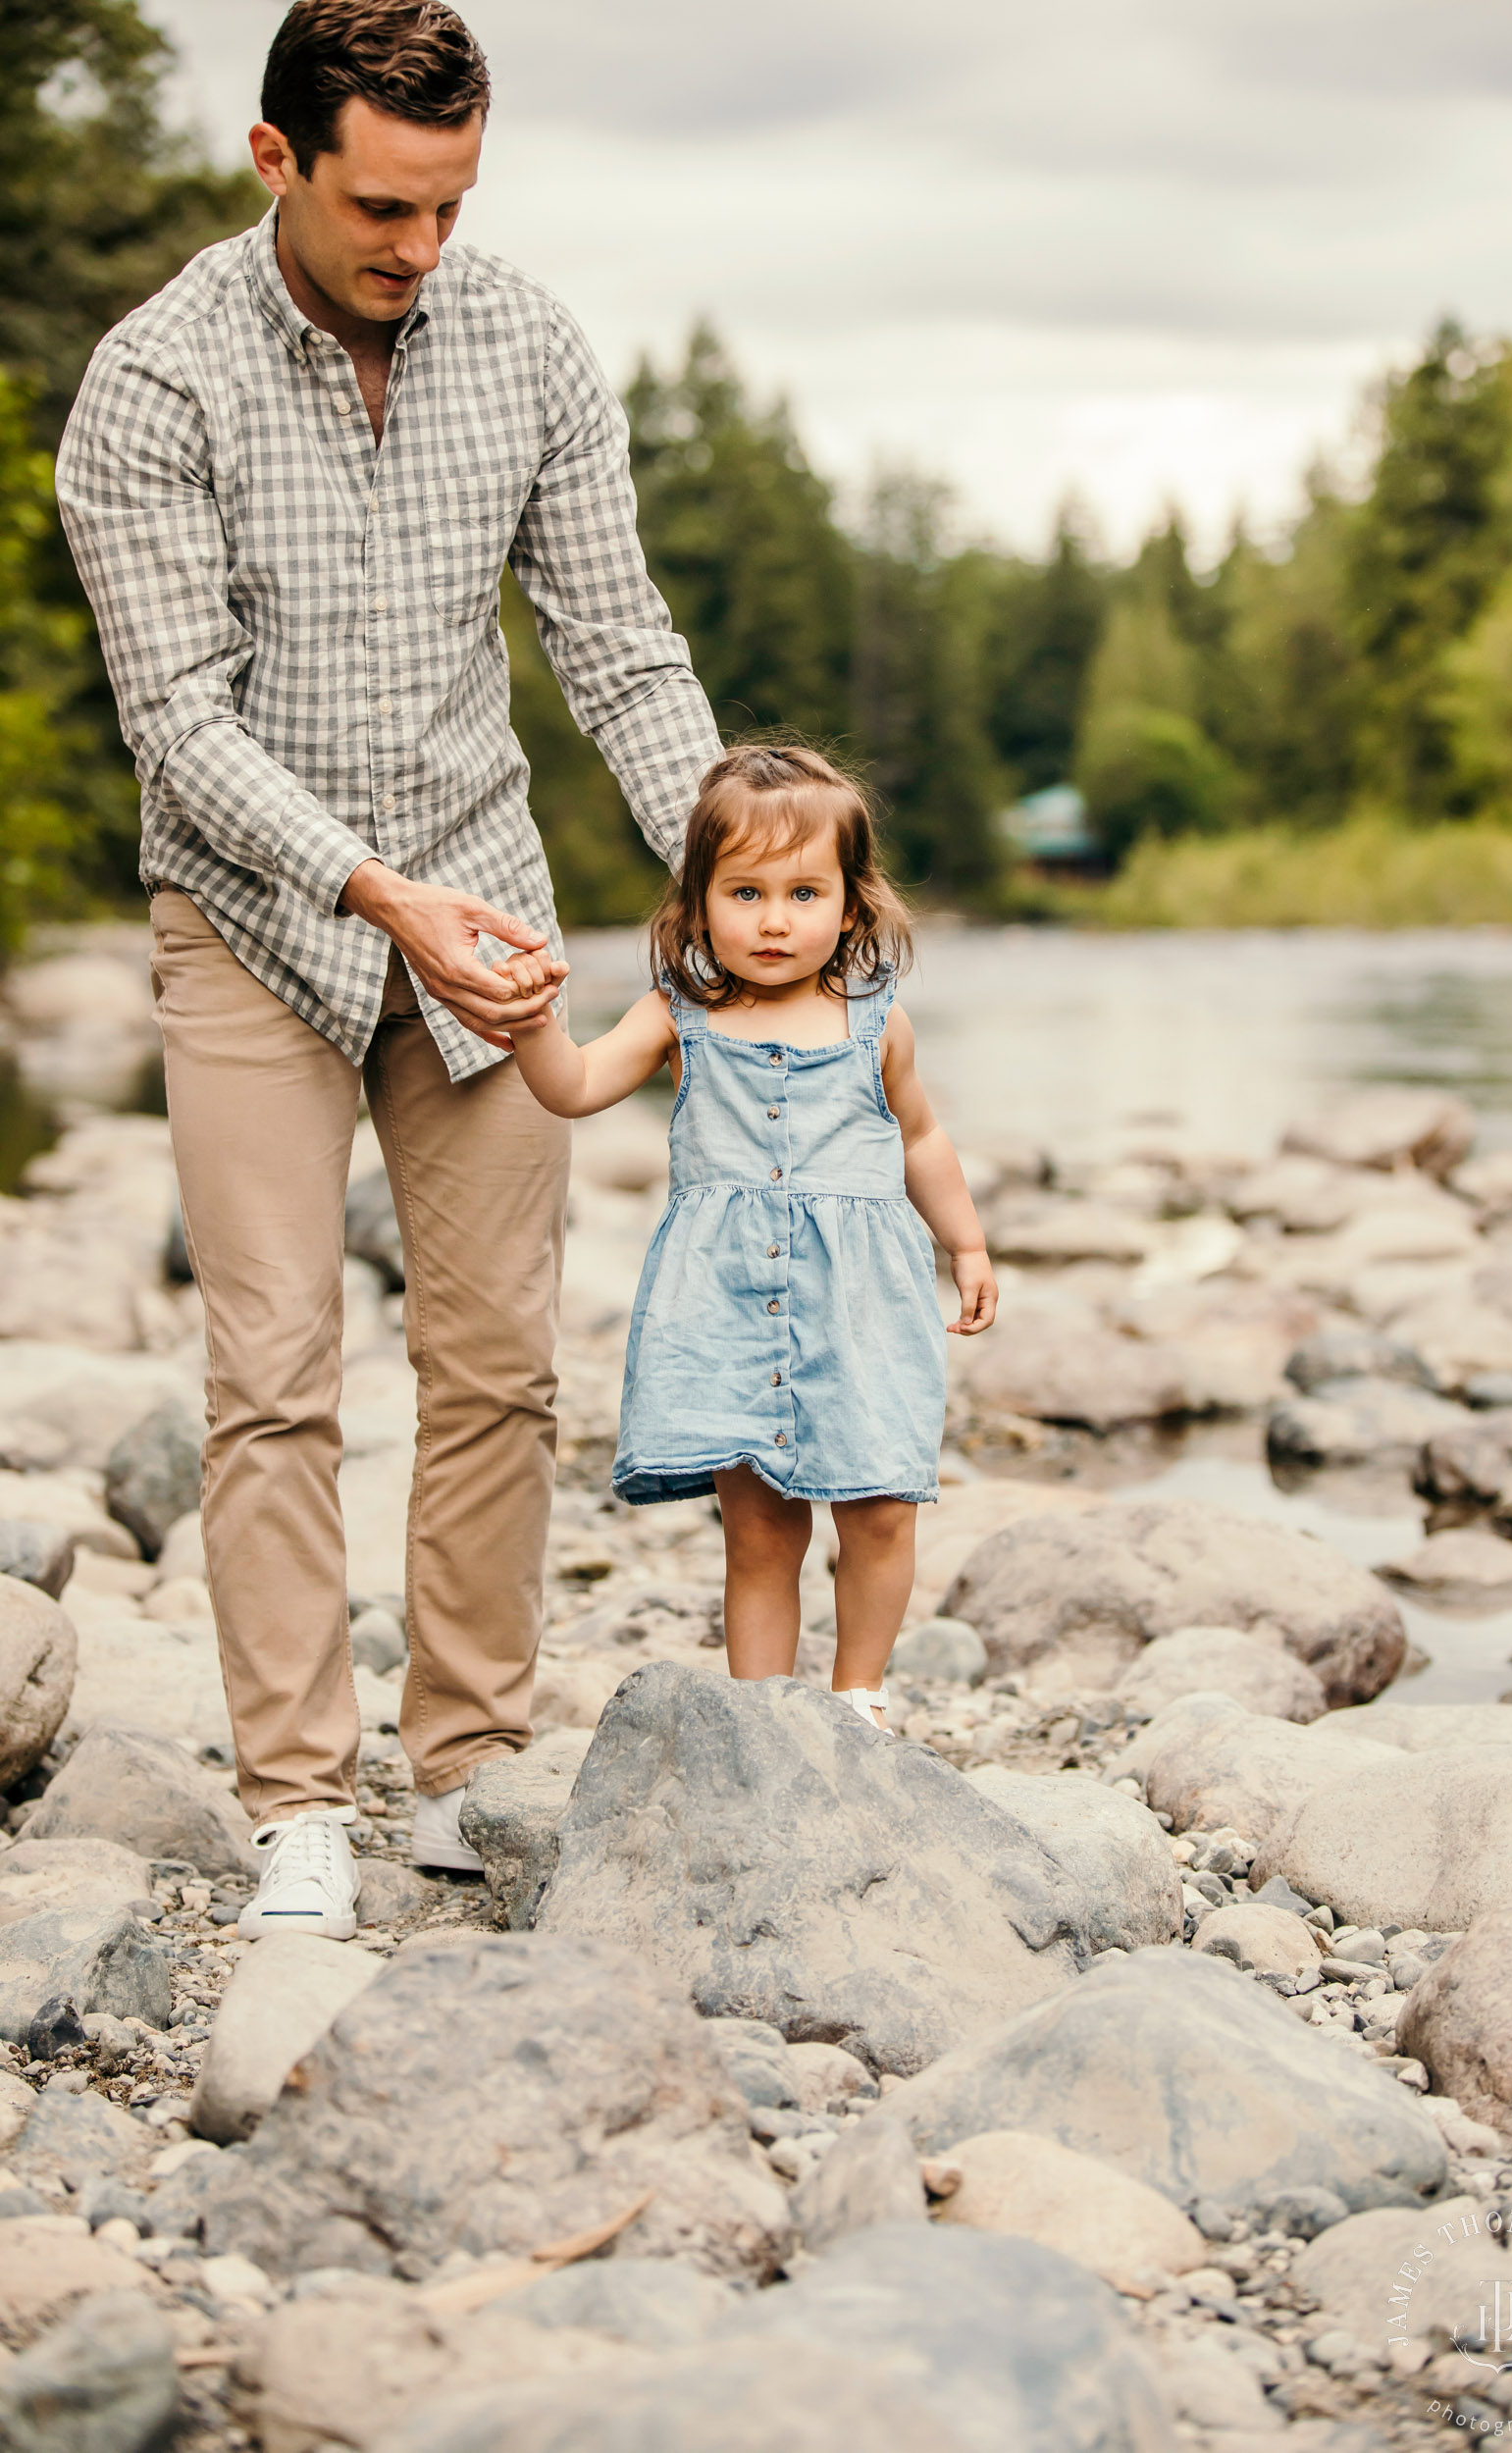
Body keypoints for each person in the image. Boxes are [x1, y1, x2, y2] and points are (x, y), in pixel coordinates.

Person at [55, 0, 722, 1939]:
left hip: (486, 919)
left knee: (497, 1362)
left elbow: (616, 643)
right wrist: (374, 892)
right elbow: (176, 723)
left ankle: (464, 1768)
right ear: (276, 160)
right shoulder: (152, 379)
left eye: (451, 204)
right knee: (269, 1371)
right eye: (381, 207)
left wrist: (738, 868)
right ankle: (293, 1804)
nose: (419, 248)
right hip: (252, 925)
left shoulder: (520, 344)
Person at [495, 747, 999, 1728]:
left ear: (848, 907)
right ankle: (763, 1716)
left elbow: (922, 1136)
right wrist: (528, 1023)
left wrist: (966, 1245)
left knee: (878, 1507)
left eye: (802, 891)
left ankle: (858, 1697)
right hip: (727, 1310)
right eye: (745, 891)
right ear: (696, 905)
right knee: (760, 1531)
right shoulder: (677, 1014)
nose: (773, 919)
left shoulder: (873, 1024)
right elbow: (574, 1087)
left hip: (858, 1309)